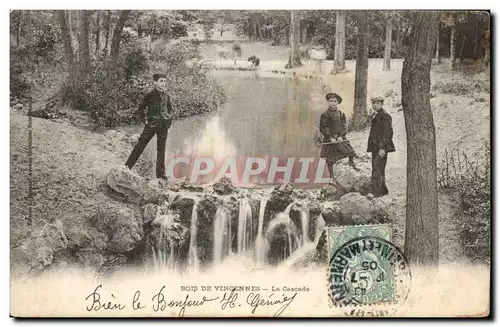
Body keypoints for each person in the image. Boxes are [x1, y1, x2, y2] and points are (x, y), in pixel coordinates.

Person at [125, 73, 174, 180]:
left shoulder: (167, 96)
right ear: (155, 82)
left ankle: (160, 174)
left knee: (161, 150)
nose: (163, 83)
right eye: (161, 81)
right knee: (140, 145)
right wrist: (145, 121)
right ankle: (127, 166)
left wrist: (169, 117)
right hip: (151, 125)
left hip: (163, 125)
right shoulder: (149, 95)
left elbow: (170, 109)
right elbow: (141, 109)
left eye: (165, 81)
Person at [319, 92, 358, 179]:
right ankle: (332, 177)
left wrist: (341, 136)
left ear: (337, 102)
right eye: (331, 101)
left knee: (350, 152)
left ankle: (351, 164)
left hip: (340, 138)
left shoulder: (341, 114)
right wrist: (330, 137)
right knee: (330, 159)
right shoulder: (325, 115)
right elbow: (324, 127)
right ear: (328, 102)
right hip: (329, 139)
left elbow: (344, 126)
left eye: (335, 101)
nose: (333, 103)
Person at [367, 96, 395, 197]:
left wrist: (382, 148)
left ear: (382, 104)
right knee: (378, 167)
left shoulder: (385, 116)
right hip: (375, 147)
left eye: (377, 103)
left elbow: (388, 133)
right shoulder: (376, 115)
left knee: (376, 167)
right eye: (373, 103)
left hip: (381, 148)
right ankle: (383, 190)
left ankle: (373, 191)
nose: (374, 105)